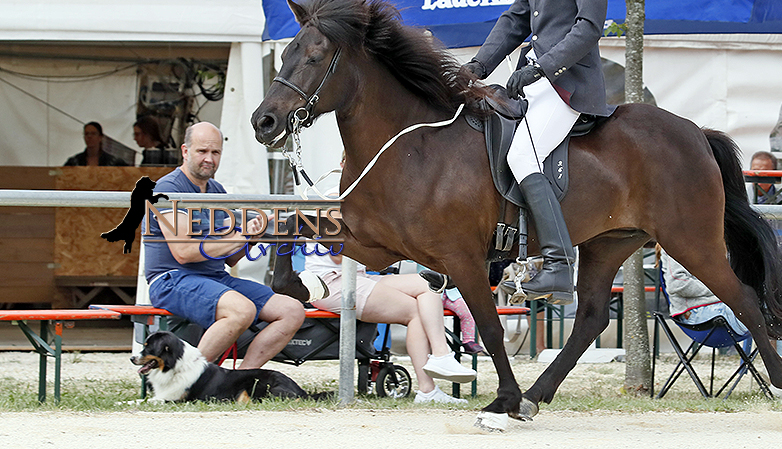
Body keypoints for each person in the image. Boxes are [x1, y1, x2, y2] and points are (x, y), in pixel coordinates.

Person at [463, 0, 613, 305]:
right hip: (534, 79)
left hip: (569, 83)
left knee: (522, 155)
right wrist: (475, 69)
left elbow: (588, 27)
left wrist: (542, 66)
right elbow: (515, 19)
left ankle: (558, 263)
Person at [144, 122, 305, 369]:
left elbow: (230, 258)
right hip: (171, 279)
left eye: (215, 153)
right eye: (202, 152)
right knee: (242, 309)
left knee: (292, 310)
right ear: (185, 151)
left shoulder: (217, 190)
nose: (209, 159)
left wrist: (253, 235)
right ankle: (184, 383)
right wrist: (241, 237)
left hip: (215, 278)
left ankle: (241, 378)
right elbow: (184, 252)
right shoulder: (168, 189)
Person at [304, 246, 477, 404]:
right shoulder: (334, 214)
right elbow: (339, 256)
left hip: (356, 277)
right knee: (415, 312)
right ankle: (427, 390)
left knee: (430, 283)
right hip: (331, 283)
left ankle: (441, 355)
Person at [663, 253, 782, 400]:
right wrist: (723, 289)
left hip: (730, 305)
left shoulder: (719, 242)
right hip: (699, 315)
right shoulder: (677, 243)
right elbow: (677, 284)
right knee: (763, 308)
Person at [63, 121, 129, 166]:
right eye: (86, 134)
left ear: (100, 137)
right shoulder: (74, 162)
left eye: (93, 134)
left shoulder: (113, 162)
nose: (89, 136)